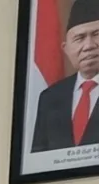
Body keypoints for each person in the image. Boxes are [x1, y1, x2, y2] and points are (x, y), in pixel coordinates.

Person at [32, 0, 99, 152]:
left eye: (96, 34)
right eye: (79, 38)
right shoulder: (49, 98)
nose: (88, 46)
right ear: (66, 48)